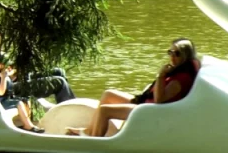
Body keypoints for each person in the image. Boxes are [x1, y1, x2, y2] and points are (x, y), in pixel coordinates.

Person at [68, 38, 199, 137]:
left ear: (185, 56)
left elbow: (159, 100)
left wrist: (160, 75)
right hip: (146, 103)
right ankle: (90, 132)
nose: (172, 56)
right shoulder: (178, 71)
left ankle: (93, 143)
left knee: (105, 111)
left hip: (149, 112)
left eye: (176, 53)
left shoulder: (181, 79)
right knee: (108, 94)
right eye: (170, 52)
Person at [0, 52, 43, 133]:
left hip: (5, 98)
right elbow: (0, 92)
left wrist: (10, 74)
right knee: (19, 103)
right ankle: (28, 126)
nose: (6, 66)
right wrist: (3, 77)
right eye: (4, 64)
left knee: (25, 99)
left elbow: (8, 80)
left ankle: (27, 123)